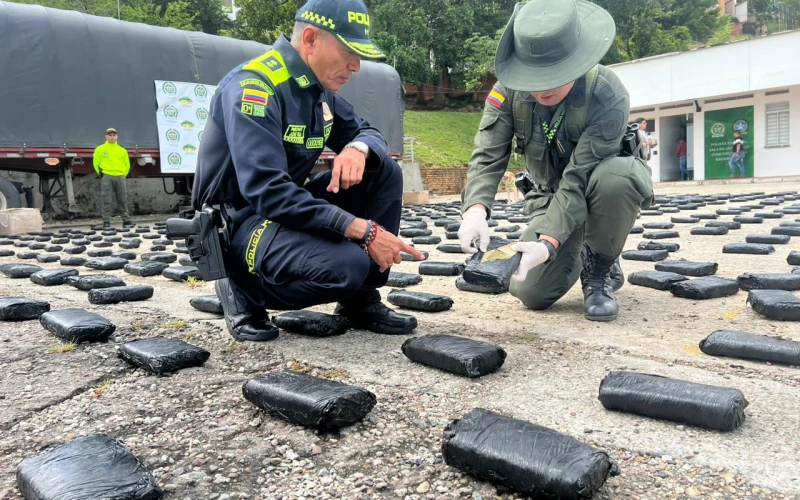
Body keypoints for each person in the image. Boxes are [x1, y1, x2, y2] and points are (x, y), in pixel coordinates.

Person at [192, 0, 424, 342]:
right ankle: (243, 290)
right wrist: (362, 230)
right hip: (240, 221)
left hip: (283, 212)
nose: (356, 66)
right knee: (347, 266)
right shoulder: (254, 87)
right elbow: (267, 190)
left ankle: (358, 300)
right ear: (311, 39)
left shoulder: (319, 92)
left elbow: (369, 132)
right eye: (349, 51)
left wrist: (356, 148)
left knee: (383, 169)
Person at [458, 0, 654, 322]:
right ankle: (585, 245)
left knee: (617, 177)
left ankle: (599, 267)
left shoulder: (606, 94)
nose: (542, 87)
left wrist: (548, 243)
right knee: (531, 292)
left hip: (596, 191)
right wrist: (475, 210)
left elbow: (579, 179)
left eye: (553, 73)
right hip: (548, 199)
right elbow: (487, 155)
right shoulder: (506, 93)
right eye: (534, 75)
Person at [93, 128, 133, 229]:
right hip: (107, 176)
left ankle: (126, 220)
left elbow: (127, 164)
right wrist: (101, 174)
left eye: (114, 135)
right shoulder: (100, 149)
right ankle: (106, 221)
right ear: (106, 137)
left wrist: (123, 174)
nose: (112, 137)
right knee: (107, 199)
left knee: (122, 199)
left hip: (120, 177)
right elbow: (96, 163)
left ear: (117, 136)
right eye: (110, 135)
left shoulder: (122, 150)